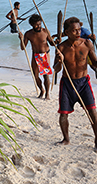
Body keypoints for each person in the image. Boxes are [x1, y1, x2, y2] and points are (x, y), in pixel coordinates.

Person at [53, 17, 97, 150]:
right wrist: (59, 61)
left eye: (79, 30)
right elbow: (55, 69)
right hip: (68, 83)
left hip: (84, 83)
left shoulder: (87, 44)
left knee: (93, 112)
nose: (78, 33)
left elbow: (94, 62)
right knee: (63, 113)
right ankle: (66, 139)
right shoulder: (61, 47)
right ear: (67, 32)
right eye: (74, 31)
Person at [18, 14, 54, 100]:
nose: (39, 26)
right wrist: (21, 39)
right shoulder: (28, 34)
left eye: (40, 24)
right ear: (32, 24)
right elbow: (23, 48)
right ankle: (42, 90)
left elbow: (52, 43)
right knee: (35, 75)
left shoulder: (45, 31)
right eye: (36, 24)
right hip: (36, 55)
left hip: (45, 54)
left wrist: (56, 40)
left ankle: (47, 94)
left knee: (45, 75)